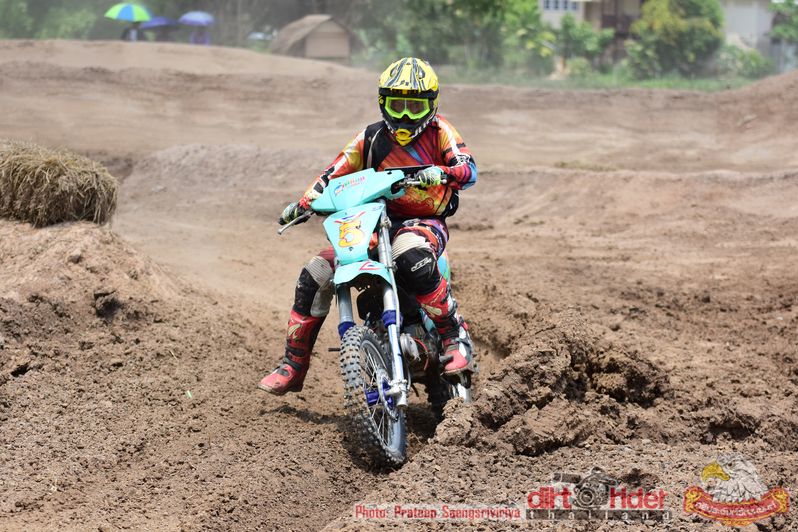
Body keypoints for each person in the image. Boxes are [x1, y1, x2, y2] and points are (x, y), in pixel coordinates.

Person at [258, 57, 477, 395]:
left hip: (422, 222)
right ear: (382, 102)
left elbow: (468, 169)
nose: (405, 116)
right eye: (397, 105)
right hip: (371, 222)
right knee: (316, 272)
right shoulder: (371, 137)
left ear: (431, 105)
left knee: (410, 256)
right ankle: (293, 364)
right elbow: (333, 173)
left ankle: (453, 336)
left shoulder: (440, 132)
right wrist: (303, 203)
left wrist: (443, 173)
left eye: (414, 107)